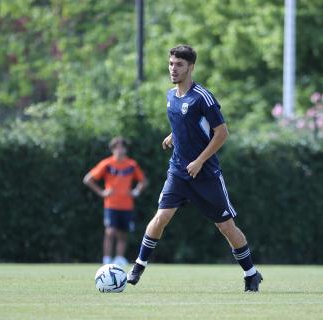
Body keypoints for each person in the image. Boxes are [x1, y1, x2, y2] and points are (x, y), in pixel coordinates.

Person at [127, 45, 263, 292]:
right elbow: (185, 124)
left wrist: (200, 161)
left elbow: (221, 134)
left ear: (191, 67)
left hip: (206, 174)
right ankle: (138, 267)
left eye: (179, 65)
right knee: (161, 217)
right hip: (178, 172)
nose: (173, 69)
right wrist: (172, 136)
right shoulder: (170, 96)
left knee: (225, 227)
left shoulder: (203, 97)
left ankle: (251, 274)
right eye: (170, 64)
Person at [83, 137, 146, 266]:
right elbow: (88, 179)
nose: (119, 150)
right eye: (116, 147)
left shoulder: (131, 165)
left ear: (125, 149)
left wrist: (136, 191)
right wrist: (101, 192)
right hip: (111, 205)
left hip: (127, 205)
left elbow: (143, 181)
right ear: (112, 149)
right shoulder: (107, 164)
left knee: (123, 233)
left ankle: (119, 258)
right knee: (110, 232)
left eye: (122, 147)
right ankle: (106, 259)